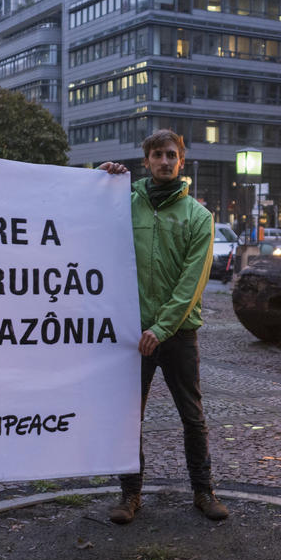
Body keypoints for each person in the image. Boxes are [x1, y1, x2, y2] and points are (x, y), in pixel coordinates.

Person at [98, 129, 229, 524]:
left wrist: (163, 327)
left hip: (177, 334)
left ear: (182, 161)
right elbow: (89, 225)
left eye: (171, 154)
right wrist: (100, 182)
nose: (165, 161)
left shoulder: (199, 217)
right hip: (131, 332)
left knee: (192, 415)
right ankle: (130, 494)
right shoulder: (124, 204)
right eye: (157, 155)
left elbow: (193, 280)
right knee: (128, 417)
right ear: (146, 161)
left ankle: (203, 491)